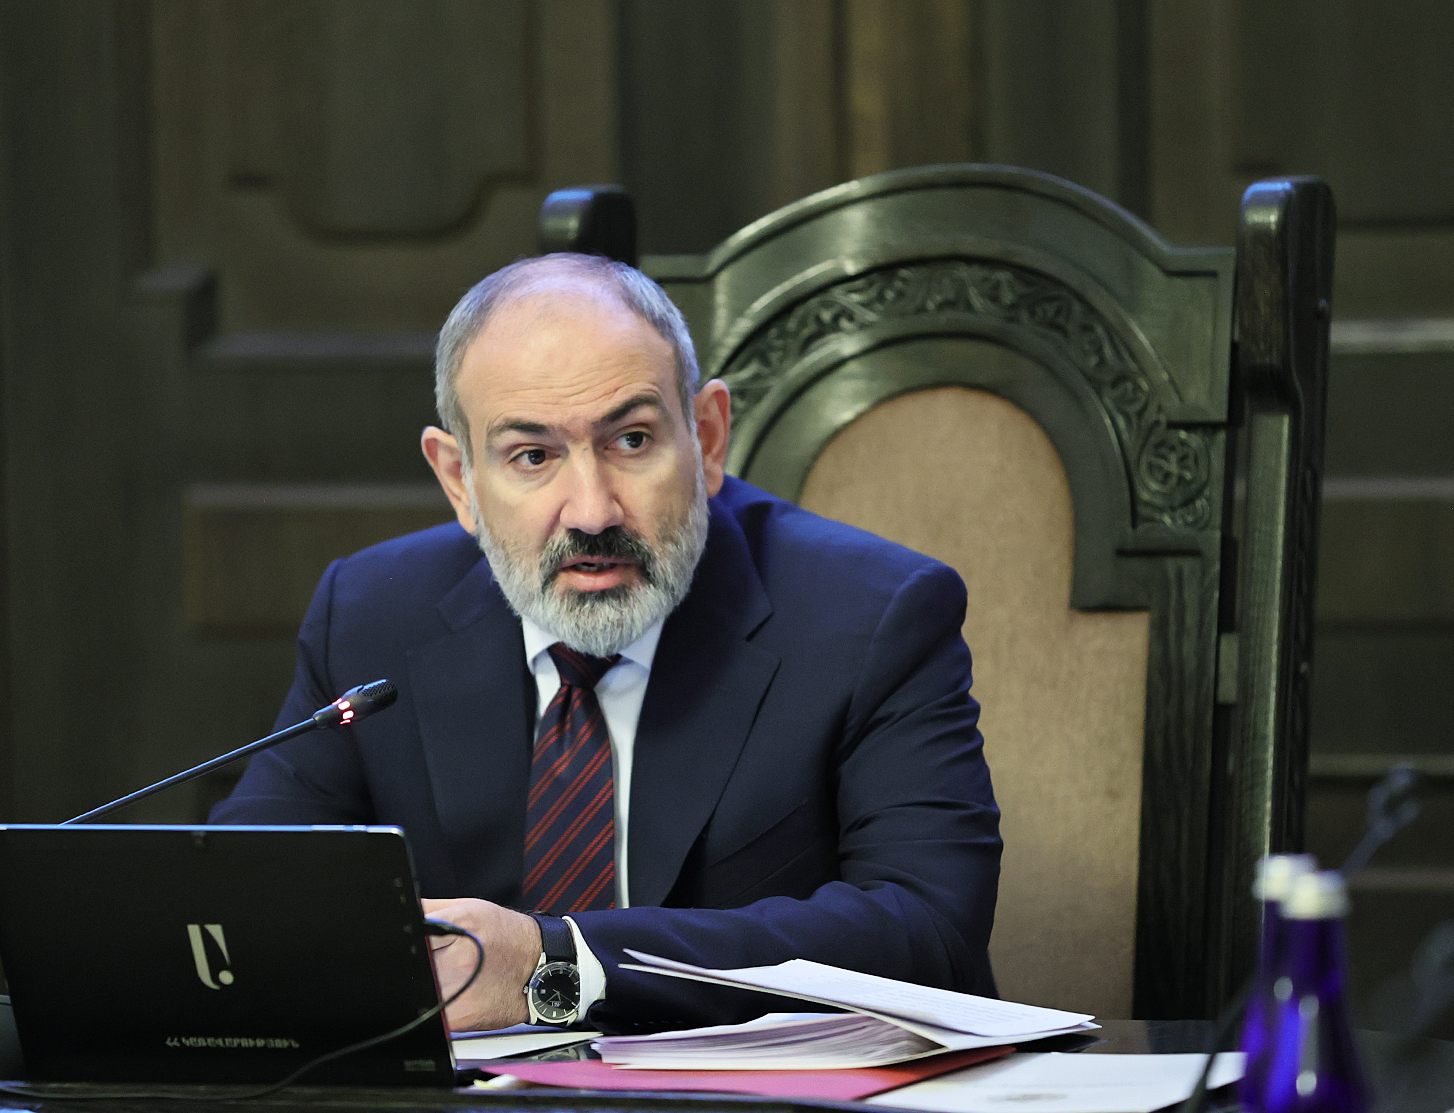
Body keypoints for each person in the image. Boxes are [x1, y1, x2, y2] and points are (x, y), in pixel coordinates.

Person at [211, 253, 1001, 1034]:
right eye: (532, 456)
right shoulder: (373, 615)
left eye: (631, 440)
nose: (591, 511)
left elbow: (931, 929)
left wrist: (554, 961)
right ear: (459, 480)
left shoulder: (873, 616)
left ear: (707, 437)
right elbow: (241, 895)